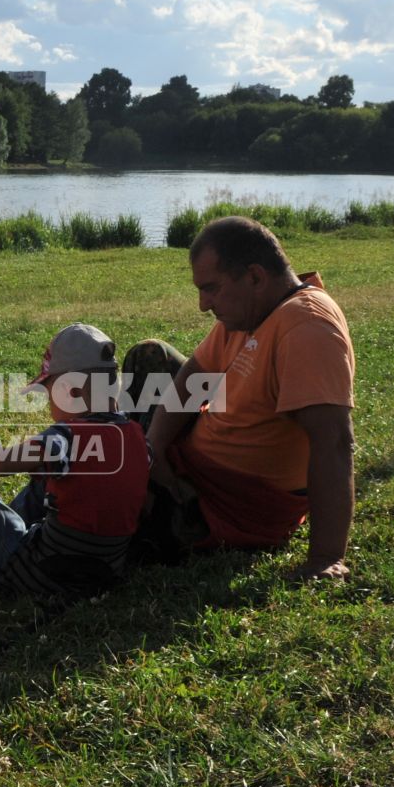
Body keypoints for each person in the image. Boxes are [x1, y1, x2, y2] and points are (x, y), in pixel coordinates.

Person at [138, 216, 357, 581]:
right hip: (192, 465)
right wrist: (154, 447)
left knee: (96, 503)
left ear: (255, 277)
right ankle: (139, 450)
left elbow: (334, 442)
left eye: (211, 288)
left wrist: (325, 557)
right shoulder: (252, 314)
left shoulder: (307, 328)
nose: (202, 304)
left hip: (229, 504)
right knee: (150, 357)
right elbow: (196, 372)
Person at [0, 323, 150, 604]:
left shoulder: (67, 437)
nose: (50, 407)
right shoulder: (138, 438)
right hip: (103, 573)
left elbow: (1, 461)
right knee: (41, 485)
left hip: (44, 574)